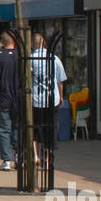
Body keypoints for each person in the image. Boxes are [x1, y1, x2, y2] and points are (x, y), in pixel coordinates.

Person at [30, 31, 67, 163]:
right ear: (44, 43)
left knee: (33, 127)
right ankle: (48, 155)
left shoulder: (30, 59)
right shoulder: (54, 59)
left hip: (35, 100)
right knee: (51, 128)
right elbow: (60, 81)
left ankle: (35, 155)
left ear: (31, 44)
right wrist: (61, 96)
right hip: (52, 99)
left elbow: (26, 79)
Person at [0, 30, 19, 170]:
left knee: (3, 130)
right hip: (19, 99)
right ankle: (19, 156)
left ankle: (6, 160)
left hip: (4, 98)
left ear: (2, 42)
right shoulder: (22, 57)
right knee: (17, 128)